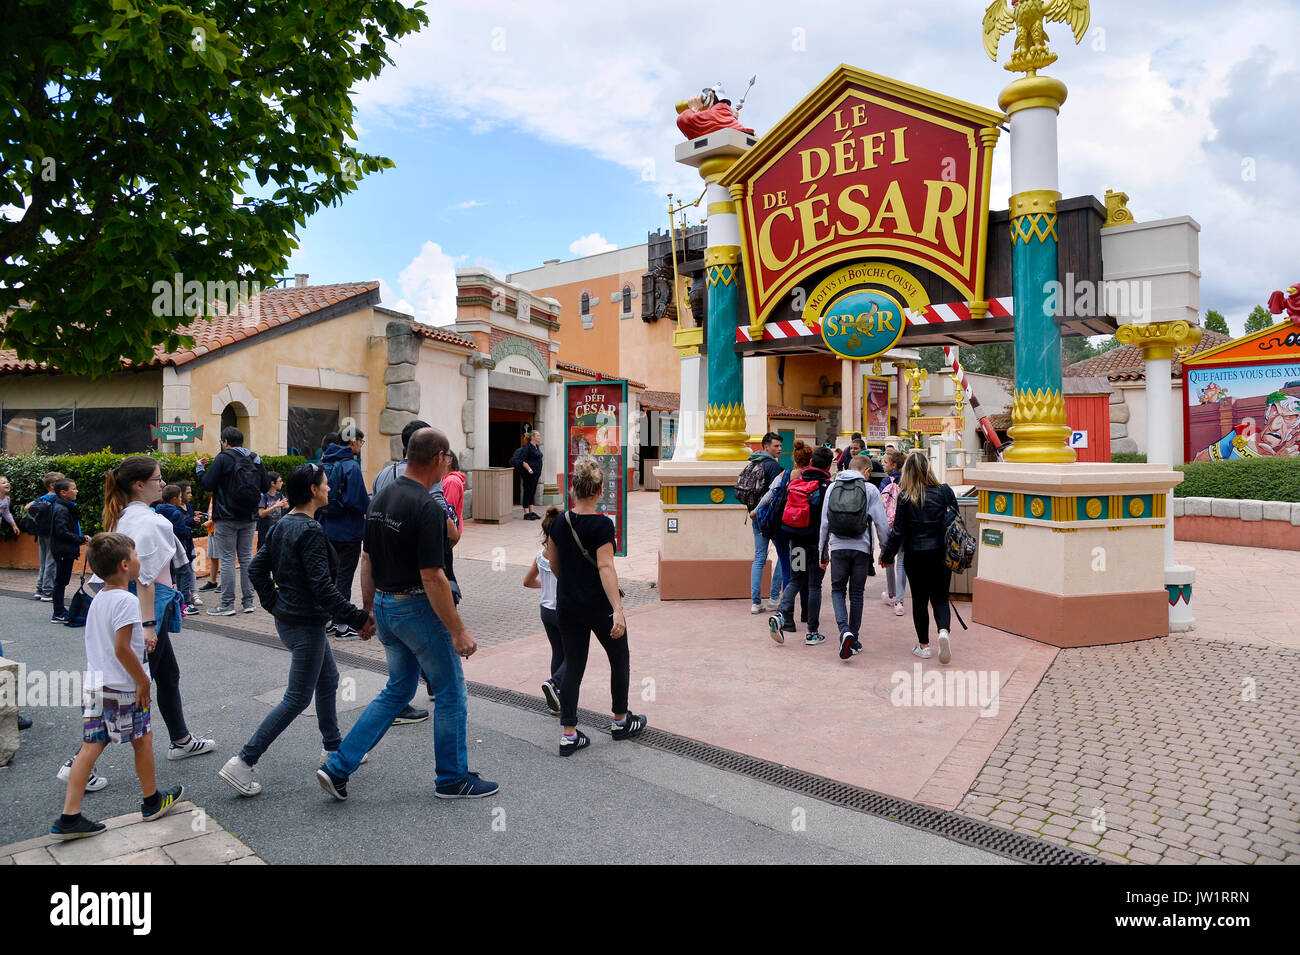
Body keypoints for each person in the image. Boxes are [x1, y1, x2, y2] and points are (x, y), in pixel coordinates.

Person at [316, 428, 498, 801]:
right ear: (437, 458)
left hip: (385, 604)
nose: (448, 463)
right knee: (450, 691)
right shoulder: (427, 508)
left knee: (398, 689)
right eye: (447, 458)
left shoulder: (381, 496)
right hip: (415, 607)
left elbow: (367, 558)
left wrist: (367, 610)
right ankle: (452, 778)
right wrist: (458, 630)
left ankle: (338, 766)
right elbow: (433, 576)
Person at [220, 464, 375, 797]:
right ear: (313, 490)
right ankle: (242, 762)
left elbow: (258, 569)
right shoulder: (310, 531)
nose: (330, 489)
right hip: (303, 623)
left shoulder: (283, 524)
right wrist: (358, 618)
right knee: (296, 698)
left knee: (329, 679)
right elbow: (322, 587)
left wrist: (274, 603)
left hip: (295, 620)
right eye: (326, 485)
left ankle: (333, 749)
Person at [50, 533, 185, 839]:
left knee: (90, 747)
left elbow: (115, 642)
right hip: (123, 686)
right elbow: (122, 649)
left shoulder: (99, 598)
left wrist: (141, 646)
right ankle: (151, 800)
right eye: (136, 556)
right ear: (125, 565)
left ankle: (69, 816)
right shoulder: (127, 600)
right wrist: (142, 680)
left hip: (96, 684)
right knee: (143, 740)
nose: (139, 561)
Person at [101, 455, 216, 759]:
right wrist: (148, 624)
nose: (163, 484)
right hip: (147, 609)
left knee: (165, 675)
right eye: (157, 479)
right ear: (139, 484)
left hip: (138, 608)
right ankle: (78, 763)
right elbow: (146, 578)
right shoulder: (149, 522)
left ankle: (181, 739)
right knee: (131, 685)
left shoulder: (123, 516)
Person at [544, 455, 645, 756]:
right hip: (598, 606)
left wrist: (572, 585)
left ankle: (569, 734)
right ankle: (620, 720)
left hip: (568, 605)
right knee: (619, 658)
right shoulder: (602, 525)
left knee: (573, 664)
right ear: (600, 490)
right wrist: (618, 609)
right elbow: (605, 567)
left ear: (573, 489)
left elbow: (554, 564)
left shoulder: (559, 522)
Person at [881, 452, 958, 664]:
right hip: (941, 553)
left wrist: (887, 555)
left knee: (920, 599)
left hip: (915, 555)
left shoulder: (905, 496)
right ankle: (943, 632)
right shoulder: (944, 491)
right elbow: (955, 520)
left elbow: (898, 531)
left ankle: (924, 646)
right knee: (941, 597)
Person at [819, 453, 891, 661]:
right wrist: (886, 551)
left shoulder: (832, 487)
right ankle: (854, 638)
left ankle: (844, 631)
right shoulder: (870, 489)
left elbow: (824, 523)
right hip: (861, 548)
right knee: (857, 594)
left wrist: (822, 552)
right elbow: (882, 524)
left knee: (837, 591)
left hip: (838, 547)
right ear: (867, 471)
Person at [197, 426, 271, 616]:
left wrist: (199, 468)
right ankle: (249, 602)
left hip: (226, 517)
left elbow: (207, 483)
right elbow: (264, 485)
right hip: (249, 516)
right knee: (246, 558)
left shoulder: (224, 458)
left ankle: (227, 605)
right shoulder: (255, 458)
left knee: (228, 559)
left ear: (225, 442)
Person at [766, 446, 834, 646]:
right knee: (814, 585)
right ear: (829, 465)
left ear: (812, 461)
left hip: (795, 539)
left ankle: (780, 615)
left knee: (795, 580)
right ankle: (812, 632)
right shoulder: (826, 486)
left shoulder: (797, 482)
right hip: (816, 543)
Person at [318, 430, 370, 636]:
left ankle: (328, 620)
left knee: (329, 576)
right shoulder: (351, 466)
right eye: (361, 441)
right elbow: (356, 500)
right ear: (353, 441)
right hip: (349, 530)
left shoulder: (323, 464)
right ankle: (341, 624)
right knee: (344, 577)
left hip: (326, 527)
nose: (360, 446)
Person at [523, 507, 563, 713]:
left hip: (545, 610)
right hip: (561, 610)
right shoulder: (563, 554)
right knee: (574, 655)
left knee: (558, 652)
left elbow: (527, 581)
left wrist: (545, 586)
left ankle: (557, 700)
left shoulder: (541, 555)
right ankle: (555, 685)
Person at [744, 432, 787, 614]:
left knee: (759, 557)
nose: (779, 449)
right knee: (784, 556)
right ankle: (774, 597)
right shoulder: (773, 467)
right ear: (766, 446)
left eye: (780, 446)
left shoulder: (752, 463)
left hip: (755, 517)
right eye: (776, 446)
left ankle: (755, 603)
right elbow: (777, 494)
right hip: (772, 519)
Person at [48, 478, 90, 624]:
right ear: (63, 492)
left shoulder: (65, 507)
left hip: (65, 549)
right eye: (73, 488)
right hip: (62, 550)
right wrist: (80, 539)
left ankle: (59, 610)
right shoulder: (61, 509)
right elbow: (62, 532)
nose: (76, 491)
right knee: (61, 581)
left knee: (62, 580)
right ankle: (58, 612)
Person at [154, 485, 198, 616]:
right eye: (179, 497)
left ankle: (174, 599)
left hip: (165, 547)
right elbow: (180, 531)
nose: (181, 499)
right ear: (174, 499)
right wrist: (189, 529)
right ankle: (184, 602)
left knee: (173, 574)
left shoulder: (158, 509)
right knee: (184, 572)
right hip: (179, 548)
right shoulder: (176, 512)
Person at [25, 471, 63, 602]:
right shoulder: (58, 499)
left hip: (41, 533)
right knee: (51, 562)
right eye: (61, 481)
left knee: (43, 561)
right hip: (53, 533)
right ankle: (48, 591)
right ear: (52, 485)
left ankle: (39, 589)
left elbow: (27, 507)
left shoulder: (42, 498)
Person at [879, 449, 908, 617]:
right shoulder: (906, 480)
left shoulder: (884, 482)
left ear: (894, 465)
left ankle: (890, 594)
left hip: (888, 527)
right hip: (903, 526)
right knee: (902, 563)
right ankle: (900, 601)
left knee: (888, 559)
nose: (883, 464)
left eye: (885, 462)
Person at [515, 429, 544, 520]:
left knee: (532, 491)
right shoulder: (527, 447)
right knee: (528, 491)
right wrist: (529, 469)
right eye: (537, 435)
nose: (539, 437)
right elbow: (523, 460)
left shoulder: (536, 446)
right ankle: (526, 513)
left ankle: (531, 511)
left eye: (539, 435)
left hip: (536, 473)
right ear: (532, 437)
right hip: (529, 474)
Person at [256, 471, 288, 551]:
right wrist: (275, 506)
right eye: (280, 481)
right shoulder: (263, 496)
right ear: (272, 483)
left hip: (277, 531)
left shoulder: (279, 495)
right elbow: (261, 514)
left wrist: (286, 506)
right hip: (265, 532)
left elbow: (287, 508)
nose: (282, 483)